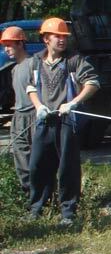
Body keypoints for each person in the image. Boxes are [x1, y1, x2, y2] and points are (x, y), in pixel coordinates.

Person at [26, 17, 99, 226]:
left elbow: (93, 83)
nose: (61, 40)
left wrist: (74, 102)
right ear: (45, 39)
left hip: (68, 121)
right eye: (57, 36)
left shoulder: (75, 60)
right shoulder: (36, 61)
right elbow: (31, 88)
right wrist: (39, 106)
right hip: (44, 121)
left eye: (64, 36)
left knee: (68, 166)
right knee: (37, 165)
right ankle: (36, 208)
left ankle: (68, 212)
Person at [1, 26, 33, 196]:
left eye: (10, 45)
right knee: (21, 158)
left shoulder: (33, 64)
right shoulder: (14, 68)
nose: (7, 49)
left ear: (20, 43)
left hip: (34, 116)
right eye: (4, 46)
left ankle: (42, 196)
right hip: (18, 116)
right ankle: (28, 194)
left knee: (36, 159)